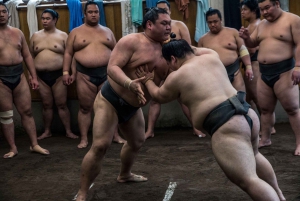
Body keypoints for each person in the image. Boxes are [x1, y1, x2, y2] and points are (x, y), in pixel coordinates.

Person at [136, 39, 285, 201]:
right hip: (248, 113)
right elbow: (196, 50)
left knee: (248, 180)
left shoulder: (177, 76)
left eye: (169, 63)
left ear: (173, 59)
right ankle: (279, 195)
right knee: (254, 155)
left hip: (227, 123)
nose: (170, 68)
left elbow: (158, 95)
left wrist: (147, 80)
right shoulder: (212, 56)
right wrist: (180, 44)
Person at [75, 8, 171, 201]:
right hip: (110, 99)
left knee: (136, 142)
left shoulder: (170, 50)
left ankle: (124, 174)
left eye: (170, 23)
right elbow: (112, 67)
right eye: (164, 23)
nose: (169, 27)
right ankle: (82, 192)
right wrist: (130, 83)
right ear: (150, 25)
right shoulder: (131, 41)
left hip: (133, 106)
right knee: (101, 145)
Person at [239, 0, 300, 155]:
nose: (265, 12)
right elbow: (253, 43)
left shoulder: (292, 20)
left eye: (268, 8)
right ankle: (265, 139)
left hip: (285, 70)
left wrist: (298, 67)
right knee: (265, 109)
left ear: (277, 4)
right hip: (265, 73)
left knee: (292, 109)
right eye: (262, 9)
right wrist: (246, 37)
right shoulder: (262, 25)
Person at [62, 1, 125, 148]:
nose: (94, 14)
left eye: (96, 12)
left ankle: (115, 135)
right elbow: (68, 53)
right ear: (84, 14)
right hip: (84, 75)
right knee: (85, 107)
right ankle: (84, 139)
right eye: (90, 12)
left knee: (111, 106)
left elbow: (116, 52)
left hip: (106, 74)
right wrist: (66, 72)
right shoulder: (75, 32)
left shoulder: (107, 31)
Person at [145, 0, 204, 139]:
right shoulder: (153, 28)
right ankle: (150, 130)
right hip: (158, 66)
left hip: (176, 67)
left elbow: (188, 49)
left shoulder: (179, 25)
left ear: (170, 11)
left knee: (183, 99)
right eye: (159, 10)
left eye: (164, 10)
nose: (162, 13)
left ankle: (196, 128)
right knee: (155, 99)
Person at [0, 3, 49, 158]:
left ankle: (34, 144)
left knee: (27, 111)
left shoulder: (18, 32)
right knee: (6, 114)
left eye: (3, 11)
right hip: (1, 78)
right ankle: (13, 148)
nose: (1, 14)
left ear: (8, 14)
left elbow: (27, 55)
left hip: (19, 75)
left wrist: (33, 76)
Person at [29, 9, 78, 140]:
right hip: (41, 76)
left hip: (59, 76)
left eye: (48, 18)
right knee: (46, 105)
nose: (45, 21)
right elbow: (30, 56)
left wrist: (72, 73)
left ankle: (68, 131)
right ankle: (47, 131)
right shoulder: (35, 36)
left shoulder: (63, 36)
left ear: (55, 20)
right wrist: (31, 75)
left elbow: (71, 56)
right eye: (43, 18)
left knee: (62, 104)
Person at [240, 0, 276, 135]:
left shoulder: (258, 25)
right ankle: (258, 125)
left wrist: (240, 53)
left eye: (245, 9)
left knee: (258, 97)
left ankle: (269, 127)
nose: (242, 12)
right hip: (249, 64)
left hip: (256, 63)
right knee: (249, 97)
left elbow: (252, 49)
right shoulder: (251, 26)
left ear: (254, 11)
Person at [198, 8, 253, 92]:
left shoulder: (233, 32)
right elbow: (201, 61)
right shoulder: (202, 40)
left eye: (215, 21)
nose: (212, 25)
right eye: (209, 22)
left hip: (235, 73)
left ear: (221, 20)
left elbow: (243, 50)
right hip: (215, 77)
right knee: (222, 104)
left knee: (240, 100)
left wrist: (248, 67)